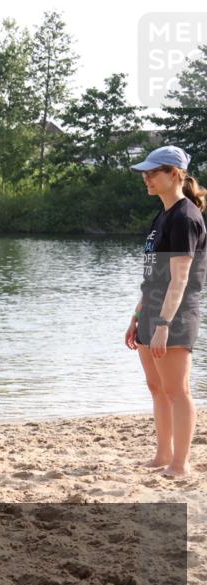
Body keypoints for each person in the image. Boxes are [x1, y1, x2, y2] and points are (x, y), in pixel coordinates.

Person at [125, 146, 207, 479]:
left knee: (177, 391)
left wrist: (162, 324)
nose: (146, 178)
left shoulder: (186, 217)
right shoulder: (161, 216)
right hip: (151, 313)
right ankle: (162, 455)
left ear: (174, 173)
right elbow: (153, 275)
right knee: (157, 388)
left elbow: (180, 279)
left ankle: (180, 463)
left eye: (152, 172)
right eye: (144, 173)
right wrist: (136, 316)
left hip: (174, 317)